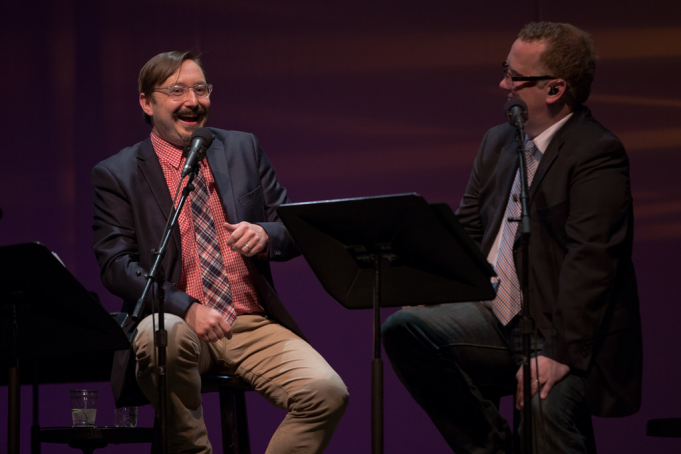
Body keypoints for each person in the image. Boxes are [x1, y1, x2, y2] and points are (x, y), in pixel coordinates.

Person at [382, 22, 642, 453]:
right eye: (506, 69)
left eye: (515, 77)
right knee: (406, 328)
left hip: (562, 330)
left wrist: (558, 351)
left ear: (555, 89)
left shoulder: (597, 152)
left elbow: (593, 261)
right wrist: (437, 287)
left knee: (542, 414)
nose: (503, 83)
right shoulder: (498, 142)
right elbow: (469, 228)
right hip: (495, 316)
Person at [92, 51, 348, 454]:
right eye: (176, 90)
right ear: (146, 102)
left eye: (200, 89)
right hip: (176, 321)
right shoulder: (118, 173)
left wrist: (265, 235)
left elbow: (293, 231)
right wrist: (186, 307)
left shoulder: (243, 149)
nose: (193, 100)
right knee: (161, 334)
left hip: (249, 323)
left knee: (326, 393)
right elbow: (116, 266)